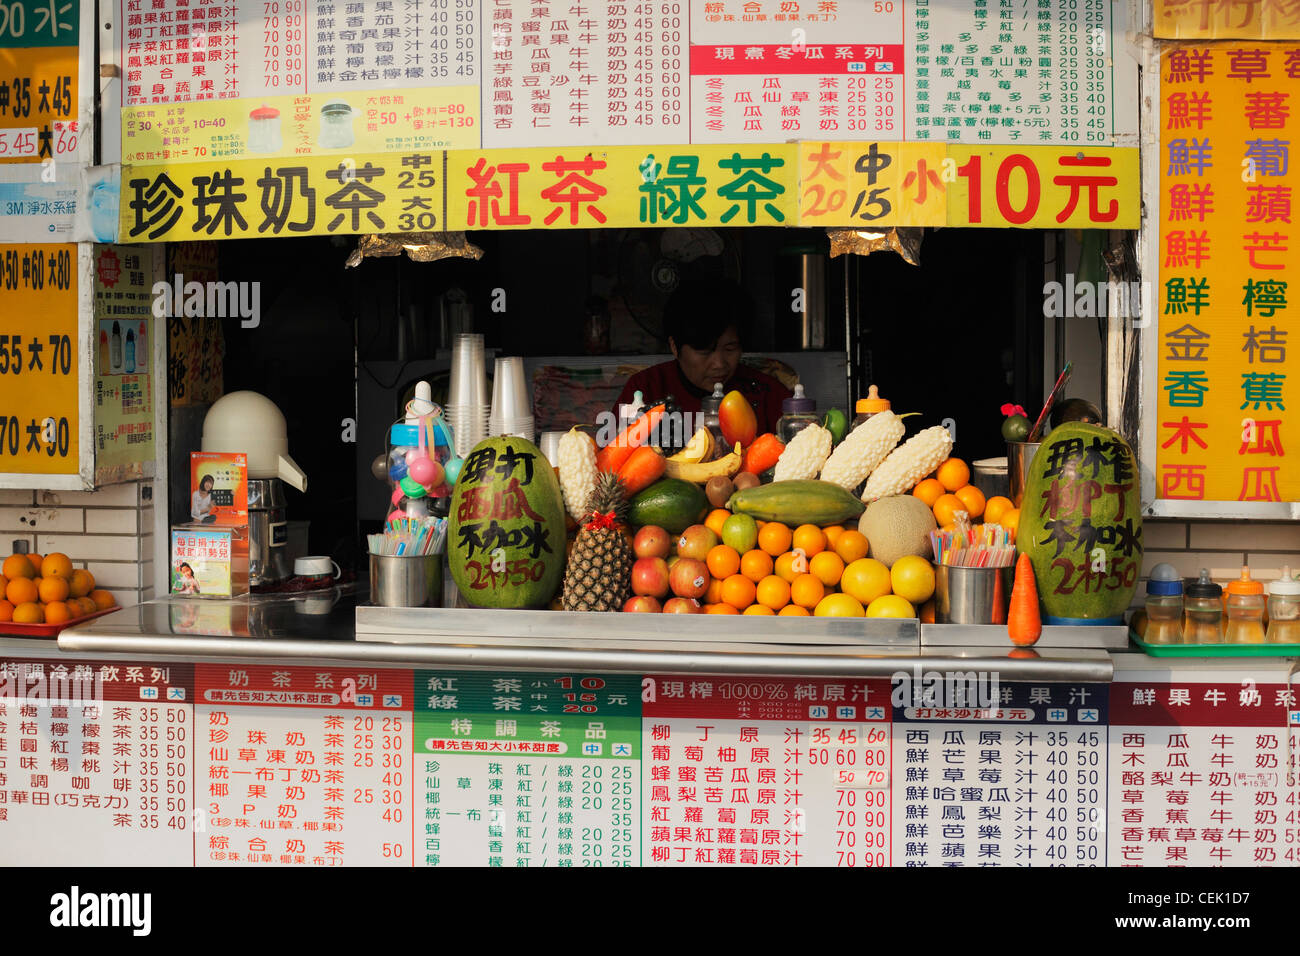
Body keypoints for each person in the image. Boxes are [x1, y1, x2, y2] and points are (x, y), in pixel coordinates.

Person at [613, 278, 791, 437]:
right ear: (675, 347)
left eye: (730, 348)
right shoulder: (646, 389)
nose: (720, 364)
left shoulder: (766, 393)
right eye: (705, 351)